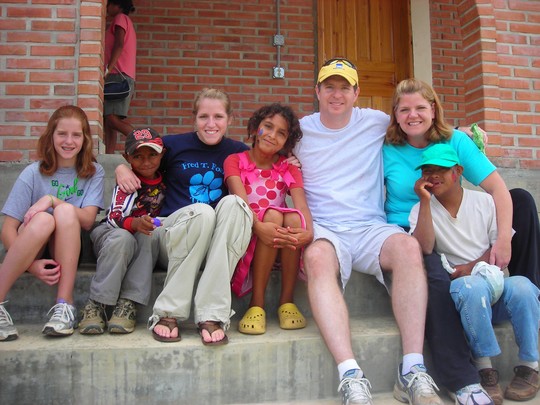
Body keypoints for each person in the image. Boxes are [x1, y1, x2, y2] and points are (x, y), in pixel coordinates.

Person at [293, 58, 442, 405]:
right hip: (325, 228)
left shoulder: (375, 122)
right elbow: (264, 152)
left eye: (345, 87)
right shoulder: (300, 131)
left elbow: (417, 124)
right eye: (329, 87)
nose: (337, 94)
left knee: (408, 247)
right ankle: (350, 374)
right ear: (317, 91)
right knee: (316, 258)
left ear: (357, 92)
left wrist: (462, 134)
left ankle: (413, 370)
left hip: (370, 226)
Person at [384, 78, 540, 403]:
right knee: (434, 273)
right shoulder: (385, 147)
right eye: (404, 109)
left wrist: (503, 241)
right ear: (395, 114)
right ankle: (467, 373)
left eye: (420, 108)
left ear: (433, 109)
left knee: (522, 202)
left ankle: (529, 308)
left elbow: (497, 189)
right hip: (412, 230)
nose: (413, 115)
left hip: (455, 218)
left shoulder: (454, 141)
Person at [115, 88, 252, 345]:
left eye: (218, 117)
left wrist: (291, 161)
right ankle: (168, 311)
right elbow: (141, 157)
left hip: (214, 244)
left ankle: (212, 314)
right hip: (172, 235)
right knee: (202, 211)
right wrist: (121, 167)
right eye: (203, 117)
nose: (211, 124)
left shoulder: (238, 152)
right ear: (194, 118)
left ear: (230, 119)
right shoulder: (173, 145)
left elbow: (269, 164)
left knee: (236, 204)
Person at [409, 144, 540, 405]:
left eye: (441, 169)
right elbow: (424, 247)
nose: (433, 175)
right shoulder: (420, 210)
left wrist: (471, 266)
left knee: (524, 286)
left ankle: (530, 366)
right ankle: (484, 370)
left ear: (457, 171)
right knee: (471, 287)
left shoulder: (483, 202)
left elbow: (498, 247)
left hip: (491, 284)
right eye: (427, 170)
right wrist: (424, 202)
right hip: (462, 294)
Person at [0, 105, 104, 340]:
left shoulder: (93, 172)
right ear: (51, 136)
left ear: (85, 139)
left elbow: (88, 220)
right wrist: (30, 265)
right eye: (62, 134)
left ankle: (64, 305)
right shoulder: (32, 173)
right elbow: (8, 229)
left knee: (64, 211)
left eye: (76, 135)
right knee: (44, 219)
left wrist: (51, 199)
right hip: (31, 247)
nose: (69, 141)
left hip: (67, 248)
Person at [224, 103, 313, 335]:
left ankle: (287, 302)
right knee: (273, 214)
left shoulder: (288, 168)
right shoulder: (235, 161)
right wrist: (258, 227)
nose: (272, 135)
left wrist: (308, 232)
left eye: (281, 133)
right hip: (247, 234)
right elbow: (241, 202)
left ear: (286, 142)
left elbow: (301, 205)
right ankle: (257, 304)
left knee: (293, 218)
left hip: (278, 241)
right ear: (256, 128)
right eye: (268, 127)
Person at [80, 127, 165, 335]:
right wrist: (134, 224)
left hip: (142, 237)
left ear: (162, 154)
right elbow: (113, 218)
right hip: (111, 233)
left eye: (152, 155)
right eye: (138, 156)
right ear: (127, 158)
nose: (146, 162)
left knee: (150, 234)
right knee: (123, 238)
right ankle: (97, 302)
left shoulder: (166, 180)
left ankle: (128, 303)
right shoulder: (129, 182)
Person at [104, 0, 137, 154]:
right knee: (109, 120)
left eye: (108, 4)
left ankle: (144, 141)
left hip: (118, 76)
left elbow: (119, 44)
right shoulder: (124, 20)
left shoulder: (120, 18)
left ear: (117, 5)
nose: (106, 7)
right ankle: (108, 155)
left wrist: (108, 69)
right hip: (121, 75)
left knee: (111, 119)